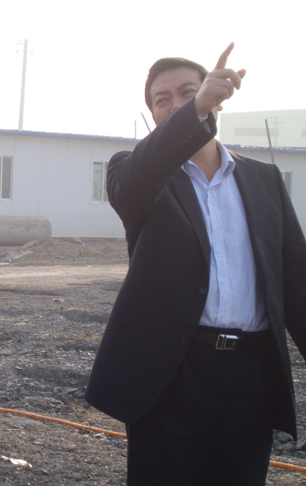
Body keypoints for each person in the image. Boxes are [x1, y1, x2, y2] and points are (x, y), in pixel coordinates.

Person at [85, 43, 306, 485]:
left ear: (218, 98)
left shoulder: (263, 180)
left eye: (189, 92)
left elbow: (297, 281)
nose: (177, 104)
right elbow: (132, 186)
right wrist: (195, 109)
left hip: (250, 376)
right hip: (171, 375)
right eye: (161, 100)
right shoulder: (136, 175)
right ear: (153, 116)